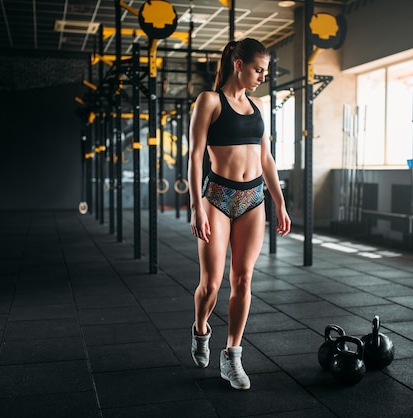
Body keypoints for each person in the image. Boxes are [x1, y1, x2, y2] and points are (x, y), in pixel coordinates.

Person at [188, 38, 291, 390]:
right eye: (258, 69)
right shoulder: (209, 101)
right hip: (216, 197)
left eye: (265, 70)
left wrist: (279, 201)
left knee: (243, 280)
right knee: (211, 284)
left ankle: (232, 356)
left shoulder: (260, 104)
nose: (263, 76)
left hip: (253, 198)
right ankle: (201, 329)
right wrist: (196, 206)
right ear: (238, 64)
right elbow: (195, 156)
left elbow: (266, 158)